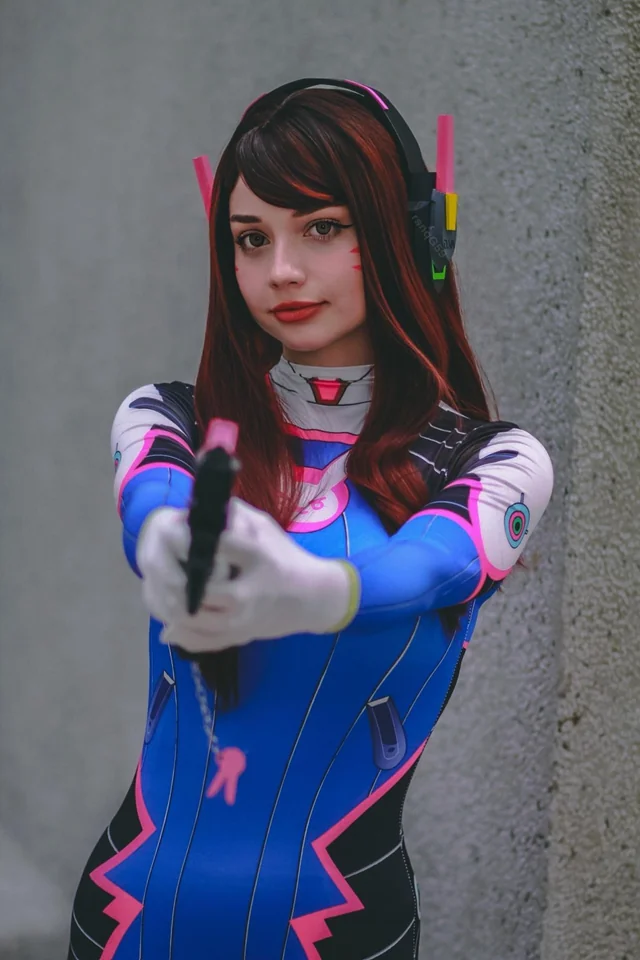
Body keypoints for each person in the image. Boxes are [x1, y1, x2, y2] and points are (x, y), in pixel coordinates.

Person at [67, 79, 554, 960]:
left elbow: (432, 566)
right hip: (125, 917)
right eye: (251, 238)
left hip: (339, 931)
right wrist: (175, 547)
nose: (281, 270)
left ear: (408, 235)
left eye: (322, 228)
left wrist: (316, 590)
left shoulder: (494, 461)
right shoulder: (167, 415)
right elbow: (154, 506)